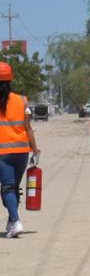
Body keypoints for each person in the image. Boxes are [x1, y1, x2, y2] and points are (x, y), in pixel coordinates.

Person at [0, 61, 40, 238]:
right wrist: (35, 148)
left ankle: (16, 221)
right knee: (13, 187)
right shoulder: (22, 100)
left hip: (2, 153)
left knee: (7, 188)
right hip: (22, 151)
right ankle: (12, 221)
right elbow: (28, 127)